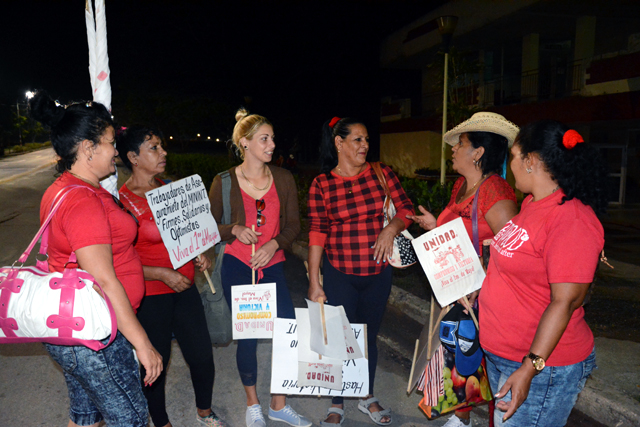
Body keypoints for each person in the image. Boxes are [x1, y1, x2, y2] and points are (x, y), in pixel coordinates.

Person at [31, 91, 162, 427]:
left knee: (86, 416)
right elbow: (104, 279)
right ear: (88, 149)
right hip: (96, 334)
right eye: (109, 142)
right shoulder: (82, 201)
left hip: (75, 331)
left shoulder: (68, 187)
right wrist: (143, 344)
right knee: (131, 418)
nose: (116, 150)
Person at [478, 120, 607, 426]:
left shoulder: (571, 218)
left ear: (531, 161)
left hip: (541, 367)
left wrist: (529, 367)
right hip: (503, 354)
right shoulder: (532, 204)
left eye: (513, 156)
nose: (509, 165)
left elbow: (566, 301)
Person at [409, 112, 519, 427]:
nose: (454, 150)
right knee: (457, 349)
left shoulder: (495, 190)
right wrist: (434, 225)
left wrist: (479, 285)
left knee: (471, 350)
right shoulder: (461, 185)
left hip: (481, 295)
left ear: (479, 153)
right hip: (457, 291)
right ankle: (461, 416)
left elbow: (513, 250)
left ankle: (468, 418)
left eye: (461, 144)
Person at [307, 117, 415, 426]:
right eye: (357, 139)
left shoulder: (382, 174)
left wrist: (390, 230)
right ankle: (338, 400)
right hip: (340, 272)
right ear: (339, 143)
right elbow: (317, 232)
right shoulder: (322, 184)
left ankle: (365, 396)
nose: (365, 145)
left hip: (378, 275)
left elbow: (406, 208)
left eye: (366, 139)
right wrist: (315, 282)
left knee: (368, 338)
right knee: (341, 339)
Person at [117, 126, 227, 427]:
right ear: (133, 157)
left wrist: (198, 254)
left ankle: (204, 411)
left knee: (203, 357)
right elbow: (113, 262)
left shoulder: (172, 189)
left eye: (161, 145)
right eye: (154, 147)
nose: (163, 152)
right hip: (150, 295)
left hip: (186, 288)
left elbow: (187, 235)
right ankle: (162, 421)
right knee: (155, 364)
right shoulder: (121, 201)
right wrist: (160, 273)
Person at [208, 108, 310, 427]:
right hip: (238, 266)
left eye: (272, 138)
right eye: (264, 139)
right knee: (249, 336)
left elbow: (293, 225)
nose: (271, 144)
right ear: (245, 143)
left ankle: (279, 403)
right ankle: (253, 404)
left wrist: (273, 244)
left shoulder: (283, 178)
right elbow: (210, 226)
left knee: (287, 333)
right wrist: (234, 230)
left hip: (273, 266)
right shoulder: (223, 181)